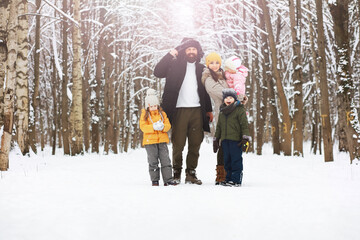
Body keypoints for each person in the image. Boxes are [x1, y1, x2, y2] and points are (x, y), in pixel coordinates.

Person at [153, 38, 213, 185]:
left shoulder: (201, 69)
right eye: (188, 49)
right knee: (178, 143)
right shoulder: (174, 65)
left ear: (198, 52)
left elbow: (206, 90)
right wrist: (170, 54)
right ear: (184, 51)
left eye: (194, 49)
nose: (191, 52)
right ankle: (176, 172)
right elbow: (157, 72)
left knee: (195, 143)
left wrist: (209, 110)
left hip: (197, 110)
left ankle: (191, 173)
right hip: (178, 110)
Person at [213, 88, 251, 187]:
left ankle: (236, 179)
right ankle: (228, 178)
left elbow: (244, 125)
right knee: (227, 161)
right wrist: (216, 139)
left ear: (234, 99)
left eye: (230, 97)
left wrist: (245, 139)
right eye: (226, 98)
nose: (228, 99)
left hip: (236, 141)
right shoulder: (222, 111)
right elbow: (219, 127)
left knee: (236, 160)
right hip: (225, 141)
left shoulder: (239, 109)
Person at [139, 88, 177, 186]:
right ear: (148, 106)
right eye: (151, 106)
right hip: (150, 142)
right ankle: (155, 180)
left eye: (155, 105)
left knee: (165, 160)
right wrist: (153, 127)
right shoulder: (144, 115)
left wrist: (163, 127)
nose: (154, 108)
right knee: (153, 161)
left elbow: (168, 125)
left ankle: (168, 179)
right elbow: (143, 127)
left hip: (162, 141)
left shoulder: (162, 114)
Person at [201, 52, 229, 185]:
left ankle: (231, 173)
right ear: (207, 64)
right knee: (223, 141)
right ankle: (221, 175)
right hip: (222, 112)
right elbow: (222, 93)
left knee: (231, 141)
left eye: (217, 62)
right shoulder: (208, 78)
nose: (214, 65)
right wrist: (240, 97)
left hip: (234, 112)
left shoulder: (225, 76)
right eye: (211, 62)